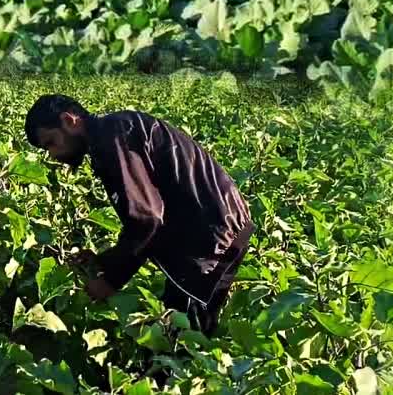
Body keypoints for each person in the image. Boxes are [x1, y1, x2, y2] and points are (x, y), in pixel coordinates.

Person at [24, 94, 254, 337]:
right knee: (188, 328)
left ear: (69, 120)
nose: (52, 154)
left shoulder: (112, 136)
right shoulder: (113, 132)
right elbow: (148, 215)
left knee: (181, 341)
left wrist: (111, 280)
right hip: (216, 228)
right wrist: (104, 261)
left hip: (210, 238)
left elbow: (147, 219)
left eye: (51, 142)